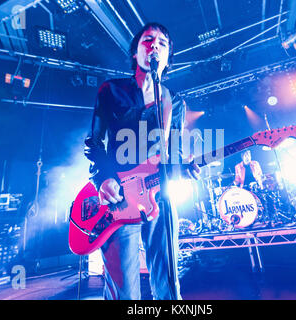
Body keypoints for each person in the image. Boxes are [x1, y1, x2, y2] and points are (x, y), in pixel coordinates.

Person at [84, 22, 200, 300]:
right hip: (119, 196)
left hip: (160, 195)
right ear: (135, 52)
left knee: (168, 281)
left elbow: (169, 154)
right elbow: (93, 143)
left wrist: (186, 169)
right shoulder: (111, 90)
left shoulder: (176, 101)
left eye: (162, 42)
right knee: (124, 288)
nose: (155, 45)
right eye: (148, 40)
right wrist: (104, 178)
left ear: (168, 55)